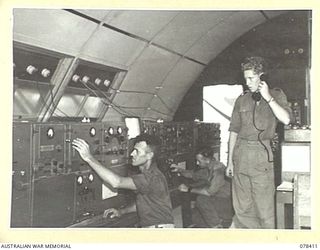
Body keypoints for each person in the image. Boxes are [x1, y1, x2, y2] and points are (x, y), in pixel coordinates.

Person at [225, 56, 291, 229]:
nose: (247, 82)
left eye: (251, 78)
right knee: (242, 208)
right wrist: (229, 161)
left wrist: (267, 96)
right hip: (240, 155)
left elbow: (286, 120)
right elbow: (233, 131)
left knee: (264, 209)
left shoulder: (276, 95)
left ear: (262, 77)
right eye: (245, 78)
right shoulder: (242, 100)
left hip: (261, 157)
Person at [72, 133, 174, 228]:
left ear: (149, 155)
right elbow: (145, 204)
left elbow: (117, 182)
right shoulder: (151, 174)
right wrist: (122, 211)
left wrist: (88, 157)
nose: (132, 154)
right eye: (133, 150)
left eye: (137, 151)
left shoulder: (151, 178)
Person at [172, 147, 232, 228]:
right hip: (218, 200)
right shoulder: (209, 167)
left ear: (207, 160)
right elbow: (193, 174)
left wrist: (189, 189)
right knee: (196, 218)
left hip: (227, 205)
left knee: (202, 199)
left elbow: (209, 192)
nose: (197, 163)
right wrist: (180, 170)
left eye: (199, 161)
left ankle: (217, 227)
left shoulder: (218, 170)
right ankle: (217, 221)